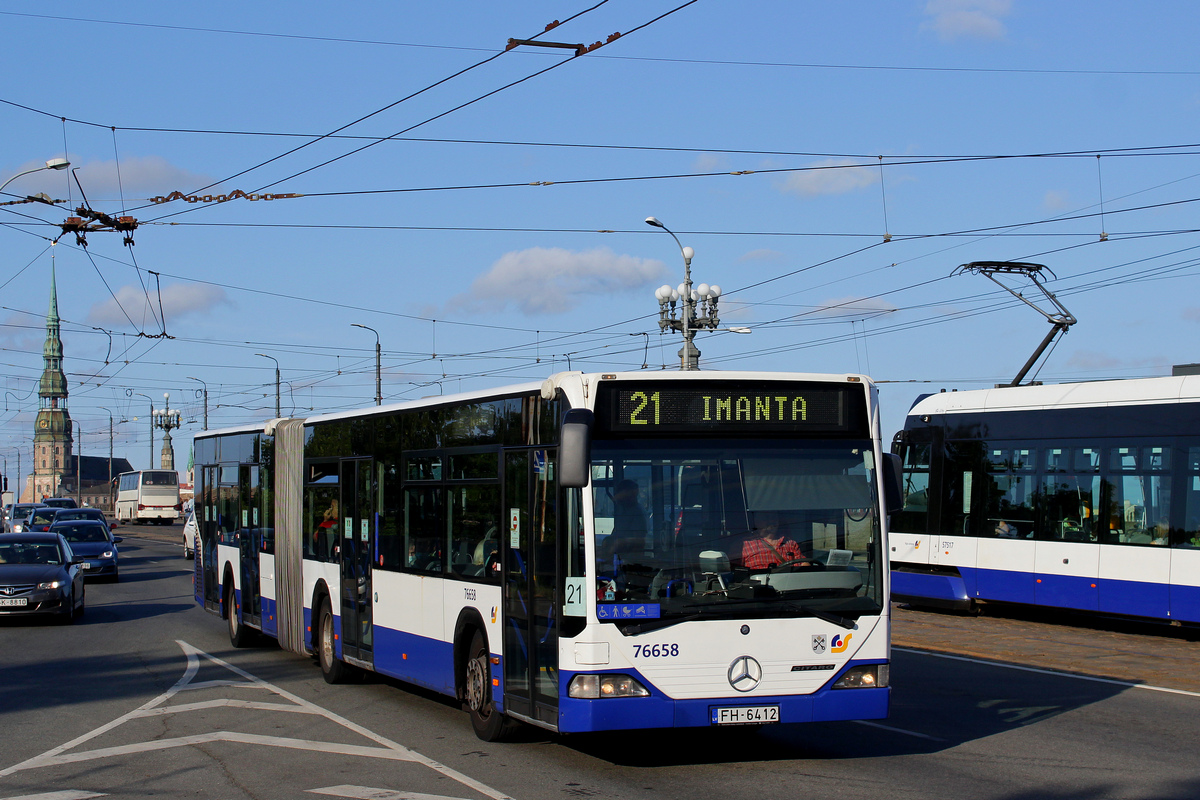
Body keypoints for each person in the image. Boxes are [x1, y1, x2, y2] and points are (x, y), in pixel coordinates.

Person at [599, 480, 647, 561]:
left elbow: (640, 540)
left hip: (631, 557)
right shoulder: (622, 510)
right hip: (620, 555)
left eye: (634, 495)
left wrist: (619, 543)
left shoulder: (637, 512)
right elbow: (616, 531)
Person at [741, 511, 806, 569]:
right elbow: (735, 572)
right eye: (767, 517)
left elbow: (804, 565)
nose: (771, 521)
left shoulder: (790, 543)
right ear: (756, 520)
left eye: (774, 517)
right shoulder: (744, 544)